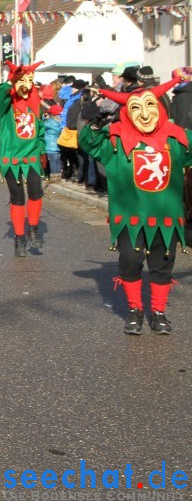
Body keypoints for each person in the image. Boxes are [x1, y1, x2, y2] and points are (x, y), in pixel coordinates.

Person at [79, 77, 188, 335]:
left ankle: (159, 312)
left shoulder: (177, 140)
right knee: (130, 260)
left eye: (150, 105)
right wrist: (96, 122)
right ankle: (135, 309)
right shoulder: (116, 141)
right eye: (136, 108)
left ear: (160, 109)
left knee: (163, 263)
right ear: (127, 113)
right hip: (130, 216)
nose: (145, 113)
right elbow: (88, 143)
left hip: (166, 217)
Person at [0, 61, 46, 257]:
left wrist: (42, 152)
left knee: (36, 192)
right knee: (17, 198)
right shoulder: (6, 107)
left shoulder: (34, 106)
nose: (26, 85)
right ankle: (19, 237)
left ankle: (33, 227)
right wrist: (10, 81)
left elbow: (40, 132)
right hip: (11, 158)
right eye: (22, 81)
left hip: (31, 157)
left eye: (29, 81)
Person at [43, 104, 63, 179]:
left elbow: (42, 125)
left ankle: (54, 177)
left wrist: (44, 118)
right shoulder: (61, 121)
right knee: (58, 160)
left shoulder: (50, 122)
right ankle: (58, 176)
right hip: (58, 144)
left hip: (50, 146)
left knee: (52, 161)